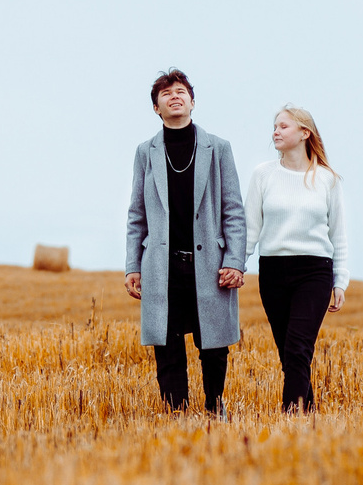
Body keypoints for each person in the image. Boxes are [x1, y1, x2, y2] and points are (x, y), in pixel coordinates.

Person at [124, 69, 247, 414]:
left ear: (193, 101)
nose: (174, 96)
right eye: (165, 93)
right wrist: (133, 265)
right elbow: (136, 215)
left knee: (214, 342)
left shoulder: (219, 148)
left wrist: (235, 260)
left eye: (181, 91)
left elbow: (234, 211)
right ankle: (175, 412)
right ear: (156, 108)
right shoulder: (145, 153)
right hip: (162, 263)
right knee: (167, 342)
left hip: (209, 263)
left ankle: (214, 405)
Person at [244, 105, 348, 413]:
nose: (275, 131)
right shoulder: (263, 175)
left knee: (298, 349)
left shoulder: (327, 179)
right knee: (289, 353)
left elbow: (338, 234)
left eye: (283, 126)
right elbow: (251, 228)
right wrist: (236, 265)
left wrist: (340, 280)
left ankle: (291, 418)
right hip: (273, 271)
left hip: (314, 271)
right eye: (274, 126)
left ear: (305, 133)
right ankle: (309, 417)